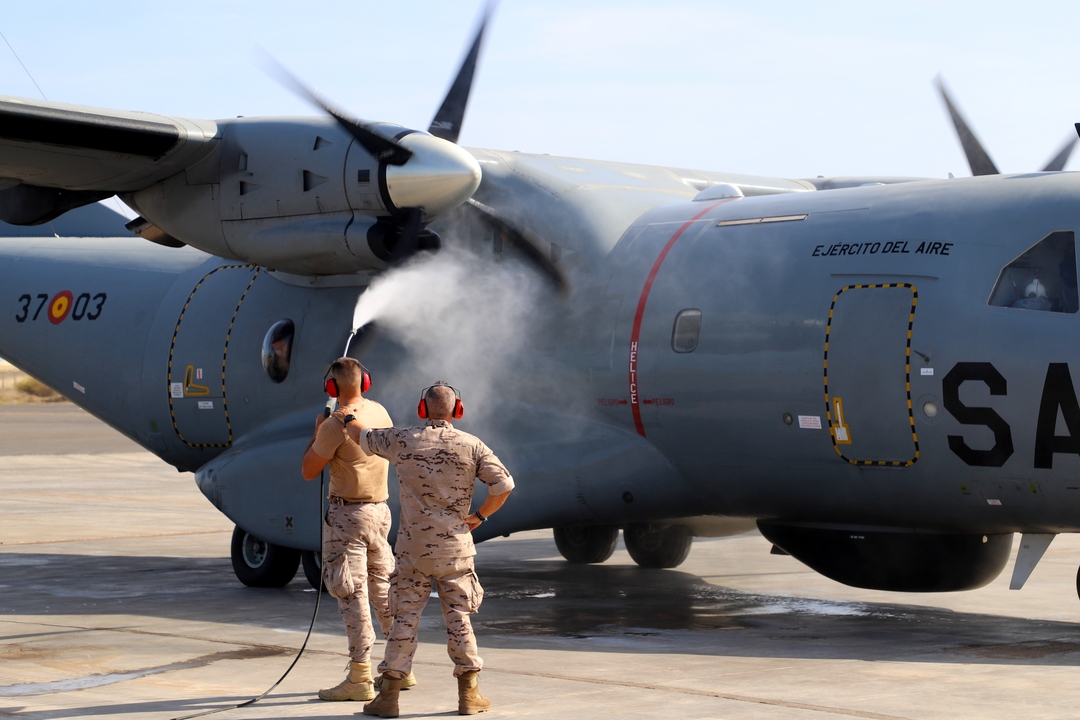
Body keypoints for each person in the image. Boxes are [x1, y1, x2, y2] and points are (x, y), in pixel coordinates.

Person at [335, 381, 514, 717]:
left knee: (404, 619)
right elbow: (504, 484)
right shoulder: (472, 445)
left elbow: (362, 435)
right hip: (455, 550)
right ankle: (469, 695)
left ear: (422, 409)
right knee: (459, 619)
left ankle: (388, 697)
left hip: (413, 551)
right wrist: (479, 516)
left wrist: (345, 416)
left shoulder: (403, 439)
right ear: (458, 410)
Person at [301, 357, 405, 702]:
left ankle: (360, 675)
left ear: (332, 387)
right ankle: (400, 668)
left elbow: (308, 470)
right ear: (365, 382)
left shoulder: (334, 425)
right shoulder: (380, 412)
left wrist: (318, 430)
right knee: (383, 589)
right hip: (380, 512)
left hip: (348, 516)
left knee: (352, 593)